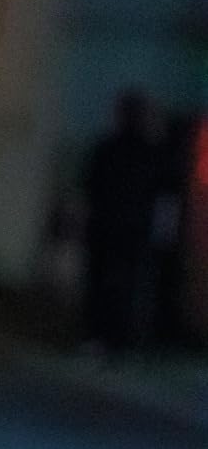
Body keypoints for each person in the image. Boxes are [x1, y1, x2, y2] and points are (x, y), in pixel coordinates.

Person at [79, 87, 163, 354]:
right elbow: (161, 193)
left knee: (100, 282)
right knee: (124, 286)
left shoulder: (107, 148)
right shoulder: (151, 153)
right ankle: (117, 339)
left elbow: (89, 186)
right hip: (133, 230)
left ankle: (97, 336)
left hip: (105, 227)